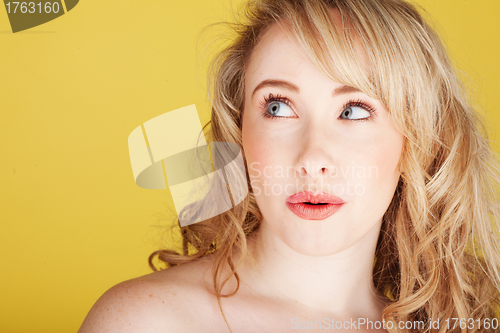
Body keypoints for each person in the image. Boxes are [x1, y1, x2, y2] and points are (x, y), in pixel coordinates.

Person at [78, 0, 500, 332]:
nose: (312, 159)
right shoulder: (147, 323)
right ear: (239, 131)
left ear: (418, 143)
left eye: (353, 111)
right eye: (278, 107)